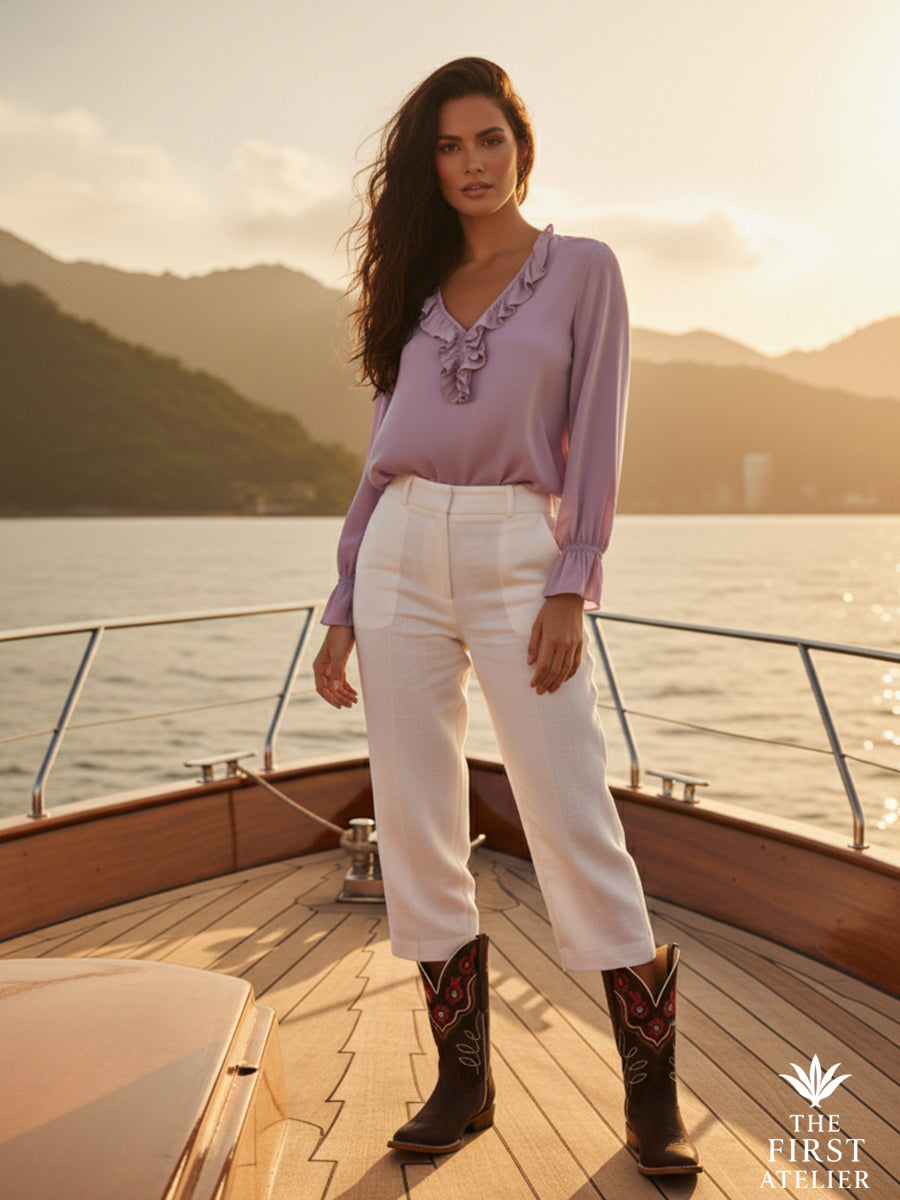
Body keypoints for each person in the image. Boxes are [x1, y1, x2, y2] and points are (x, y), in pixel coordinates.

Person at [313, 57, 700, 1177]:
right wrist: (342, 601)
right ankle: (465, 1082)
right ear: (425, 166)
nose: (472, 164)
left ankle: (652, 1102)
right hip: (398, 548)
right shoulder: (412, 292)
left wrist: (574, 579)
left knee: (571, 808)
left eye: (489, 140)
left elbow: (601, 430)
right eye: (448, 146)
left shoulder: (583, 271)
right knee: (416, 818)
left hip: (519, 551)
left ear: (521, 147)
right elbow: (381, 458)